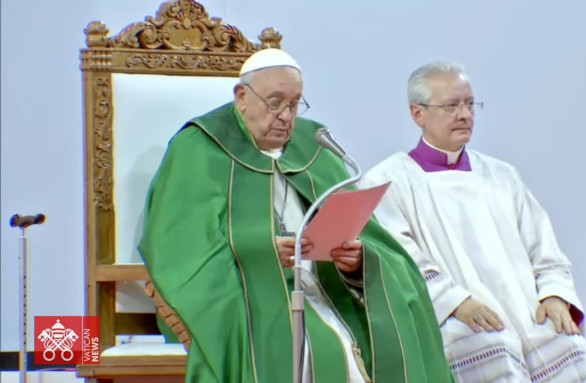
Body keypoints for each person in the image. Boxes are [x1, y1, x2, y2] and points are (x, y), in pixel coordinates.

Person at [138, 49, 454, 383]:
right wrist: (259, 249)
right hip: (252, 290)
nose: (286, 116)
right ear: (242, 97)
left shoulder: (314, 143)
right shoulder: (199, 148)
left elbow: (372, 237)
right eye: (274, 102)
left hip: (328, 288)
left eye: (294, 104)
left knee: (397, 320)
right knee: (326, 350)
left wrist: (358, 261)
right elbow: (178, 247)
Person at [359, 61, 586, 382]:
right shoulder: (387, 181)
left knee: (567, 345)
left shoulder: (501, 176)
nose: (464, 114)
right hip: (453, 317)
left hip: (526, 312)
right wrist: (455, 302)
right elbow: (401, 261)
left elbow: (544, 247)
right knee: (492, 348)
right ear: (417, 113)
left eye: (470, 104)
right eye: (451, 106)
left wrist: (554, 295)